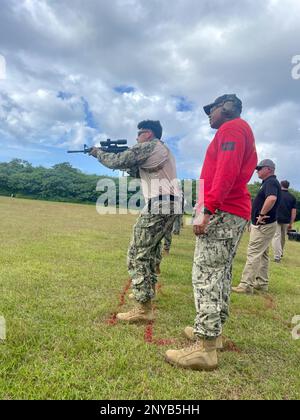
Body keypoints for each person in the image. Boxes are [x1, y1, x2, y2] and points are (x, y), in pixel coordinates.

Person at [165, 94, 257, 371]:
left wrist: (207, 209)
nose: (208, 113)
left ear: (225, 108)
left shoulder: (232, 128)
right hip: (232, 210)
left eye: (211, 108)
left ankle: (205, 347)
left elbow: (226, 172)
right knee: (220, 273)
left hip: (224, 210)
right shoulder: (238, 130)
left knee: (205, 274)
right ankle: (213, 334)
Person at [90, 120, 180, 322]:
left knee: (137, 253)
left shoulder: (149, 145)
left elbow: (118, 160)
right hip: (169, 202)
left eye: (139, 133)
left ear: (148, 134)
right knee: (150, 251)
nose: (136, 138)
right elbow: (135, 170)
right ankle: (147, 293)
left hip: (160, 202)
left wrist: (99, 154)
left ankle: (143, 308)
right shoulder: (160, 149)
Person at [232, 159, 281, 294]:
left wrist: (261, 214)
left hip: (264, 224)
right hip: (266, 224)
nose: (257, 171)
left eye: (260, 168)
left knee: (253, 252)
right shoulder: (268, 182)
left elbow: (271, 198)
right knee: (263, 254)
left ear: (269, 169)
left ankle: (246, 285)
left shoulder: (270, 182)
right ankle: (261, 282)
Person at [272, 180, 297, 262]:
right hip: (286, 220)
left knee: (276, 236)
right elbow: (293, 211)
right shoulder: (292, 197)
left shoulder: (277, 194)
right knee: (283, 237)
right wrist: (291, 222)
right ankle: (280, 252)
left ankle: (277, 256)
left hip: (276, 218)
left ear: (280, 185)